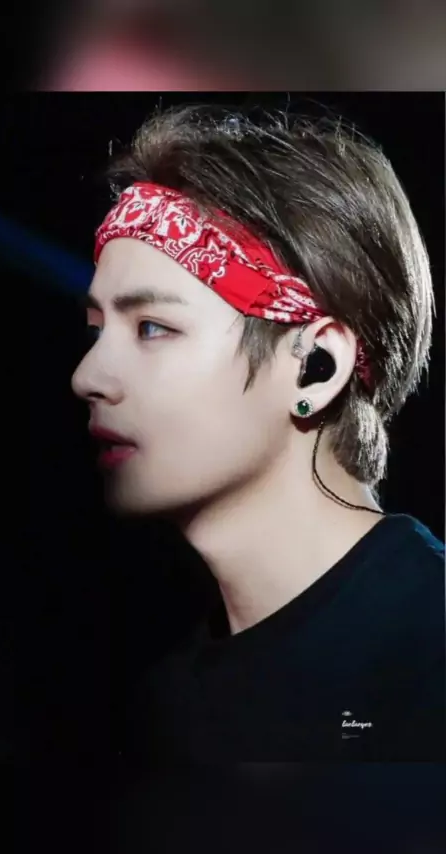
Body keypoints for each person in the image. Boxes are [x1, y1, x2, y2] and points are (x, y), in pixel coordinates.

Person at [71, 104, 445, 761]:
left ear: (315, 365)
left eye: (153, 327)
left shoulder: (429, 647)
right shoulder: (162, 712)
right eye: (97, 331)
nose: (88, 376)